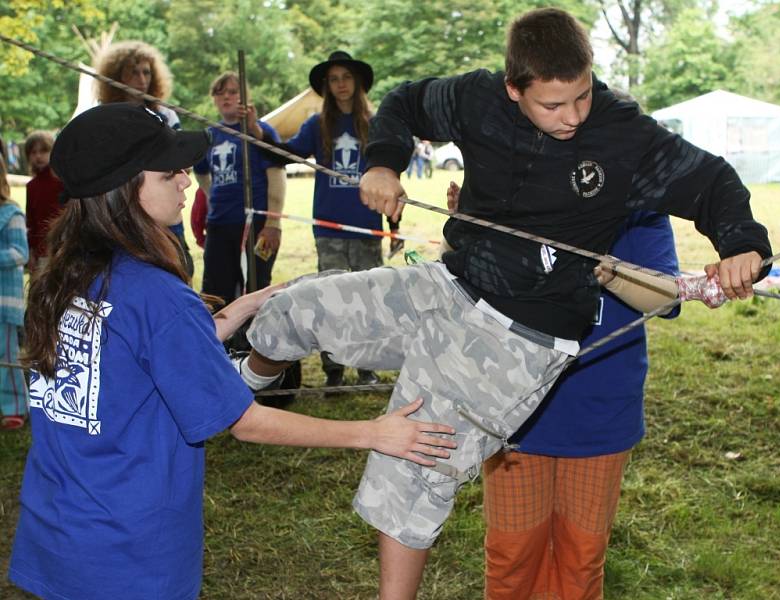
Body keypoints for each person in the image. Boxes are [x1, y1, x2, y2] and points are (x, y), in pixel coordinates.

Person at [243, 8, 771, 599]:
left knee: (411, 466)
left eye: (582, 96)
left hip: (521, 338)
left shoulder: (623, 133)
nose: (572, 116)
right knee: (302, 308)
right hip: (451, 284)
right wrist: (385, 162)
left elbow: (712, 182)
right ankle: (242, 384)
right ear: (513, 88)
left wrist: (743, 246)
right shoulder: (475, 98)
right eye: (553, 104)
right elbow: (403, 103)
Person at [6, 103, 457, 600]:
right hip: (130, 555)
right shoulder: (158, 296)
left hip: (59, 533)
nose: (187, 183)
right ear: (125, 189)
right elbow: (245, 421)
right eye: (169, 173)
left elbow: (143, 353)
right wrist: (374, 433)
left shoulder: (65, 278)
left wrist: (245, 305)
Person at [483, 209, 680, 600]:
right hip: (516, 410)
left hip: (599, 415)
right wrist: (461, 227)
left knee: (582, 559)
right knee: (511, 558)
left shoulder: (641, 211)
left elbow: (668, 297)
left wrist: (615, 274)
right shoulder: (512, 186)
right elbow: (465, 277)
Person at [262, 51, 400, 387]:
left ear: (358, 83)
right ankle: (334, 371)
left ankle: (367, 369)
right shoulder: (316, 125)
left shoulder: (374, 123)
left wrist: (394, 226)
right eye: (334, 79)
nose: (340, 84)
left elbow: (391, 174)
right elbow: (287, 155)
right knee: (332, 299)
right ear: (327, 86)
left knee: (370, 298)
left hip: (366, 225)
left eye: (346, 77)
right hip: (329, 228)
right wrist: (258, 131)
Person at [94, 40, 194, 277]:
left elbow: (183, 163)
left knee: (178, 268)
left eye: (146, 72)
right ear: (117, 75)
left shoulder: (166, 115)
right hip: (122, 211)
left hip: (165, 209)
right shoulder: (103, 116)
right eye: (133, 72)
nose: (142, 79)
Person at [194, 71, 284, 306]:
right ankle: (222, 340)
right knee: (216, 289)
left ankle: (253, 341)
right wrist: (211, 195)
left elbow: (277, 175)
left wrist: (273, 223)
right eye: (220, 93)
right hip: (220, 224)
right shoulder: (210, 135)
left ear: (245, 97)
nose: (226, 98)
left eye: (233, 92)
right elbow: (201, 170)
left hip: (255, 225)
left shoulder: (260, 132)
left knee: (255, 288)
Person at [0, 152, 28, 430]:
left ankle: (15, 406)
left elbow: (21, 252)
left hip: (4, 303)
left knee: (6, 356)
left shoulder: (11, 214)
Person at [23, 131, 63, 270]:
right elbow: (31, 222)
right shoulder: (32, 186)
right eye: (33, 152)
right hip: (42, 253)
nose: (38, 156)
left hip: (64, 250)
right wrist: (32, 251)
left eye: (44, 151)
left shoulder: (63, 182)